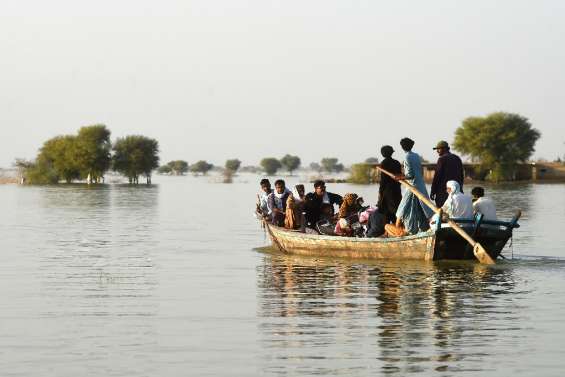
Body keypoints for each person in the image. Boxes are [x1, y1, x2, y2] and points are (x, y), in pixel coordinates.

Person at [385, 137, 434, 237]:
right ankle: (421, 229)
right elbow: (419, 171)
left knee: (401, 210)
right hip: (420, 186)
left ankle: (397, 230)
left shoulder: (407, 157)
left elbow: (410, 175)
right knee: (419, 209)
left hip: (412, 187)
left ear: (402, 147)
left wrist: (399, 177)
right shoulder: (416, 156)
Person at [430, 140, 464, 208]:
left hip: (443, 192)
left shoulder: (442, 159)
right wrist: (460, 189)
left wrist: (433, 191)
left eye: (438, 149)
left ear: (444, 149)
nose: (437, 151)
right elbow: (461, 176)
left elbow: (437, 177)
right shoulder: (457, 158)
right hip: (457, 192)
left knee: (442, 211)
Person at [377, 145, 402, 224]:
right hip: (397, 190)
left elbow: (383, 181)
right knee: (397, 210)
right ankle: (397, 227)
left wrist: (380, 193)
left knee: (387, 211)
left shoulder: (384, 163)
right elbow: (399, 176)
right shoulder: (397, 163)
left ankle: (389, 231)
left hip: (388, 192)